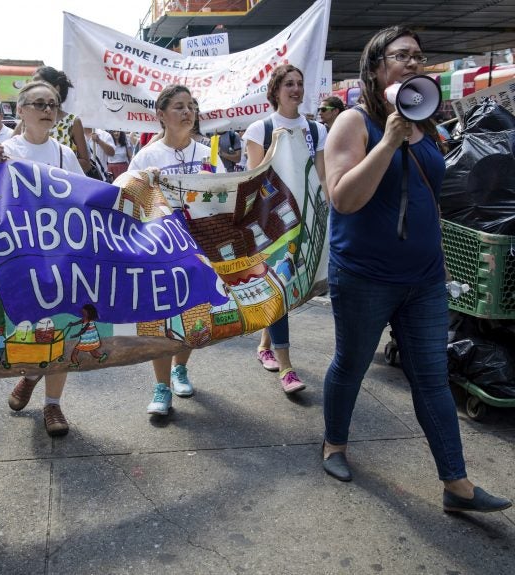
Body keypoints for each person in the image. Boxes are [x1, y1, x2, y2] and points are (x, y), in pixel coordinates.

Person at [322, 25, 511, 514]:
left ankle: (456, 483)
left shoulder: (426, 121)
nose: (413, 63)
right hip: (364, 276)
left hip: (424, 279)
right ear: (376, 66)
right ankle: (334, 444)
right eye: (401, 55)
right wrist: (386, 144)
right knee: (352, 364)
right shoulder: (354, 123)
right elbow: (343, 199)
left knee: (431, 377)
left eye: (419, 56)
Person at [127, 84, 225, 416]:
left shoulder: (208, 153)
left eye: (192, 106)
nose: (187, 112)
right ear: (161, 115)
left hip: (199, 247)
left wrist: (210, 183)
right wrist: (145, 181)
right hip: (161, 249)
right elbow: (128, 198)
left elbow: (225, 197)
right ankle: (161, 386)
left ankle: (180, 368)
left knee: (196, 312)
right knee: (162, 313)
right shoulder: (147, 156)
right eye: (179, 106)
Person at [2, 81, 83, 436]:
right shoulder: (3, 150)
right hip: (18, 256)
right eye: (39, 103)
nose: (48, 109)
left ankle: (52, 406)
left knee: (60, 326)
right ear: (20, 111)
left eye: (52, 103)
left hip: (59, 254)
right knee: (30, 327)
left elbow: (84, 197)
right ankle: (31, 374)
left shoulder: (65, 154)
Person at [243, 63, 328, 395]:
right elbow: (255, 182)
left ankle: (265, 344)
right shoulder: (259, 129)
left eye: (300, 83)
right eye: (288, 84)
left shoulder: (318, 130)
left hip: (309, 219)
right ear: (275, 90)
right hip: (273, 223)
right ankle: (287, 368)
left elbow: (321, 179)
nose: (296, 89)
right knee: (280, 287)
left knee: (292, 289)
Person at [30, 66, 91, 174]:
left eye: (39, 83)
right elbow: (9, 156)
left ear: (56, 88)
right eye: (32, 85)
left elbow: (86, 164)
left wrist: (53, 168)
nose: (33, 88)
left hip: (62, 187)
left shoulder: (72, 122)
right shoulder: (27, 119)